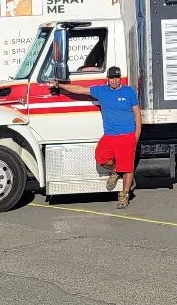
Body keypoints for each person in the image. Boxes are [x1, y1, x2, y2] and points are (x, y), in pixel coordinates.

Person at [50, 65, 140, 209]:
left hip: (127, 135)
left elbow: (137, 113)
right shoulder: (101, 91)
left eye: (117, 77)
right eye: (111, 78)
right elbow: (80, 89)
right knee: (101, 157)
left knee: (128, 167)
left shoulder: (128, 92)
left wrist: (137, 135)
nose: (114, 81)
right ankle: (115, 172)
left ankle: (124, 196)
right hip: (110, 135)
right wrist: (60, 85)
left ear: (120, 78)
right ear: (107, 79)